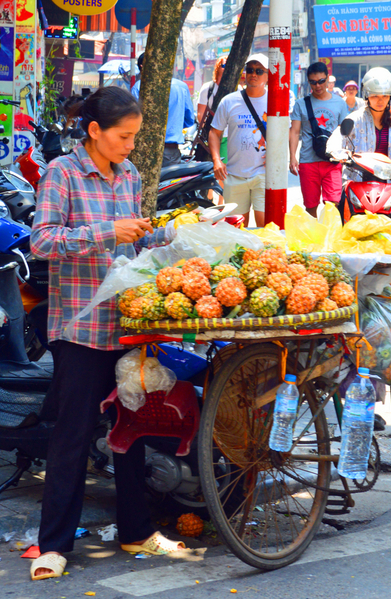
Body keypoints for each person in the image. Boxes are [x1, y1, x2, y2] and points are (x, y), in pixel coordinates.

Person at [28, 87, 184, 582]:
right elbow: (43, 240)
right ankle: (53, 545)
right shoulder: (62, 174)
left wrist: (174, 231)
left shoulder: (131, 174)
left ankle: (136, 530)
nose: (130, 146)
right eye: (124, 136)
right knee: (72, 437)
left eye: (135, 137)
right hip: (78, 328)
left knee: (130, 430)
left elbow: (136, 235)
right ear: (94, 131)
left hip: (126, 322)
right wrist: (104, 232)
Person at [327, 67, 391, 231]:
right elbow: (337, 137)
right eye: (375, 96)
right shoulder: (355, 118)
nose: (380, 100)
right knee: (336, 232)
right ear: (367, 96)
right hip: (357, 182)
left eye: (384, 96)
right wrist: (338, 152)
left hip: (388, 184)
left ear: (390, 96)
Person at [209, 53, 268, 227]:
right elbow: (214, 132)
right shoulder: (229, 101)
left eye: (259, 70)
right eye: (250, 70)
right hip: (234, 174)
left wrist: (277, 154)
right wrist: (216, 160)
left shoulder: (275, 101)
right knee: (235, 229)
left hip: (263, 173)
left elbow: (286, 132)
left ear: (267, 75)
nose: (254, 74)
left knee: (265, 228)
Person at [289, 61, 348, 218]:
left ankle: (329, 236)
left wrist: (346, 155)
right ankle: (315, 238)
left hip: (332, 161)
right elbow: (294, 132)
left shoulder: (340, 103)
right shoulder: (301, 104)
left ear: (327, 79)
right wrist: (292, 157)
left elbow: (345, 132)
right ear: (309, 82)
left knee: (333, 204)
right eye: (313, 82)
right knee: (310, 206)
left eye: (321, 81)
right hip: (308, 162)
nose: (318, 86)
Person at [132, 52, 195, 167]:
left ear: (142, 66)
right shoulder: (182, 87)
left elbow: (133, 119)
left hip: (146, 150)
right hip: (171, 151)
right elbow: (189, 120)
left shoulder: (139, 87)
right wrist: (173, 125)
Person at [197, 56, 228, 163]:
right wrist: (207, 130)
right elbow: (200, 113)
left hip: (228, 137)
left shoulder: (236, 89)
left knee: (225, 170)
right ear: (218, 68)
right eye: (223, 65)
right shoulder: (207, 88)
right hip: (210, 135)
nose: (226, 68)